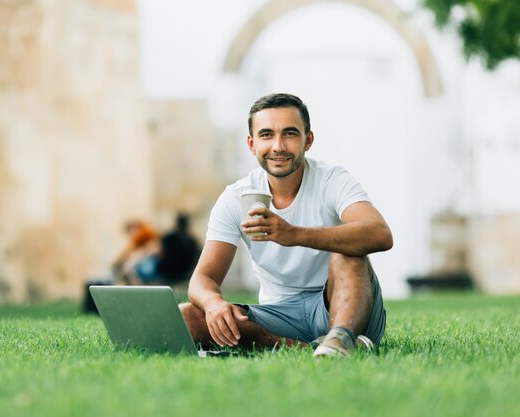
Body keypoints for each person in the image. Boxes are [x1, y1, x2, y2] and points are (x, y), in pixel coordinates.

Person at [179, 93, 393, 357]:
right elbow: (203, 279)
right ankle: (306, 348)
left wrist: (294, 234)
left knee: (348, 250)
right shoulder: (236, 197)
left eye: (290, 134)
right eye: (266, 135)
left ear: (308, 140)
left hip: (344, 306)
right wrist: (213, 304)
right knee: (188, 315)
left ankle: (340, 338)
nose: (278, 146)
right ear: (252, 144)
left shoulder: (332, 180)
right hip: (278, 314)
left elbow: (380, 234)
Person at [157, 213, 201, 285]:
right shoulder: (191, 240)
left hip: (168, 272)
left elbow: (161, 253)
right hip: (185, 273)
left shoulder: (168, 237)